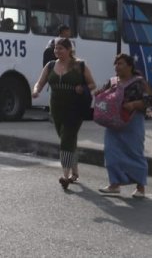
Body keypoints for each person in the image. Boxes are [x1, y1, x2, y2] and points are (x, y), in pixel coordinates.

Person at [32, 37, 97, 190]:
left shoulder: (80, 65)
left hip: (75, 107)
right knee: (67, 138)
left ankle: (65, 176)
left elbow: (92, 84)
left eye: (60, 48)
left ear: (69, 50)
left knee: (66, 138)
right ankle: (75, 172)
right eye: (55, 48)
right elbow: (40, 82)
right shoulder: (50, 65)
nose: (57, 51)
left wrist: (83, 88)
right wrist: (36, 91)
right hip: (56, 108)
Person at [97, 53, 152, 198]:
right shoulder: (112, 82)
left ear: (129, 66)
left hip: (132, 121)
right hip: (113, 122)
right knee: (111, 152)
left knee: (134, 152)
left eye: (121, 63)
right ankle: (114, 184)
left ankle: (140, 187)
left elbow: (150, 101)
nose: (117, 67)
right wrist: (99, 93)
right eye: (116, 64)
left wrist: (134, 104)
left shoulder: (139, 82)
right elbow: (103, 95)